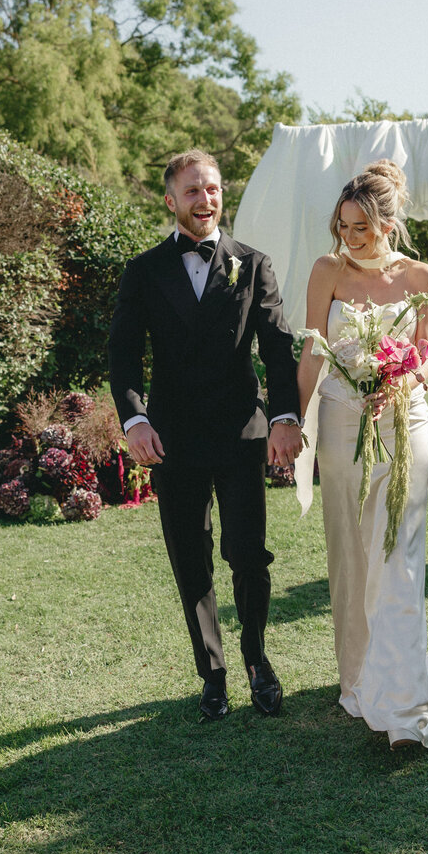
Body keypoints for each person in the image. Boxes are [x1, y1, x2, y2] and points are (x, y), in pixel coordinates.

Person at [109, 150, 303, 721]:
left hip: (242, 433)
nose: (205, 199)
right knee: (190, 560)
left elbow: (277, 346)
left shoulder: (253, 262)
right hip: (174, 439)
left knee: (249, 556)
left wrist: (284, 417)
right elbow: (122, 352)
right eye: (192, 191)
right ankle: (211, 672)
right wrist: (135, 418)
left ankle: (256, 661)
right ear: (171, 201)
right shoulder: (145, 270)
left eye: (213, 189)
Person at [296, 160, 428, 749]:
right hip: (337, 423)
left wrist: (402, 377)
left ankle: (406, 705)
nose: (349, 238)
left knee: (400, 555)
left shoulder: (421, 276)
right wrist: (293, 424)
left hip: (405, 423)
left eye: (361, 227)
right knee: (352, 552)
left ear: (389, 223)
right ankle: (360, 677)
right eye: (343, 225)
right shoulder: (326, 270)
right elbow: (313, 350)